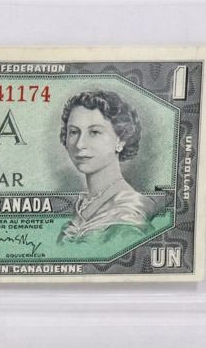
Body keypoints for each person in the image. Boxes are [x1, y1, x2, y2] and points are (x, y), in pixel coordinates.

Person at [58, 90, 156, 242]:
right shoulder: (82, 205)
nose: (80, 144)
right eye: (74, 132)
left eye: (94, 132)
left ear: (121, 139)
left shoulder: (128, 217)